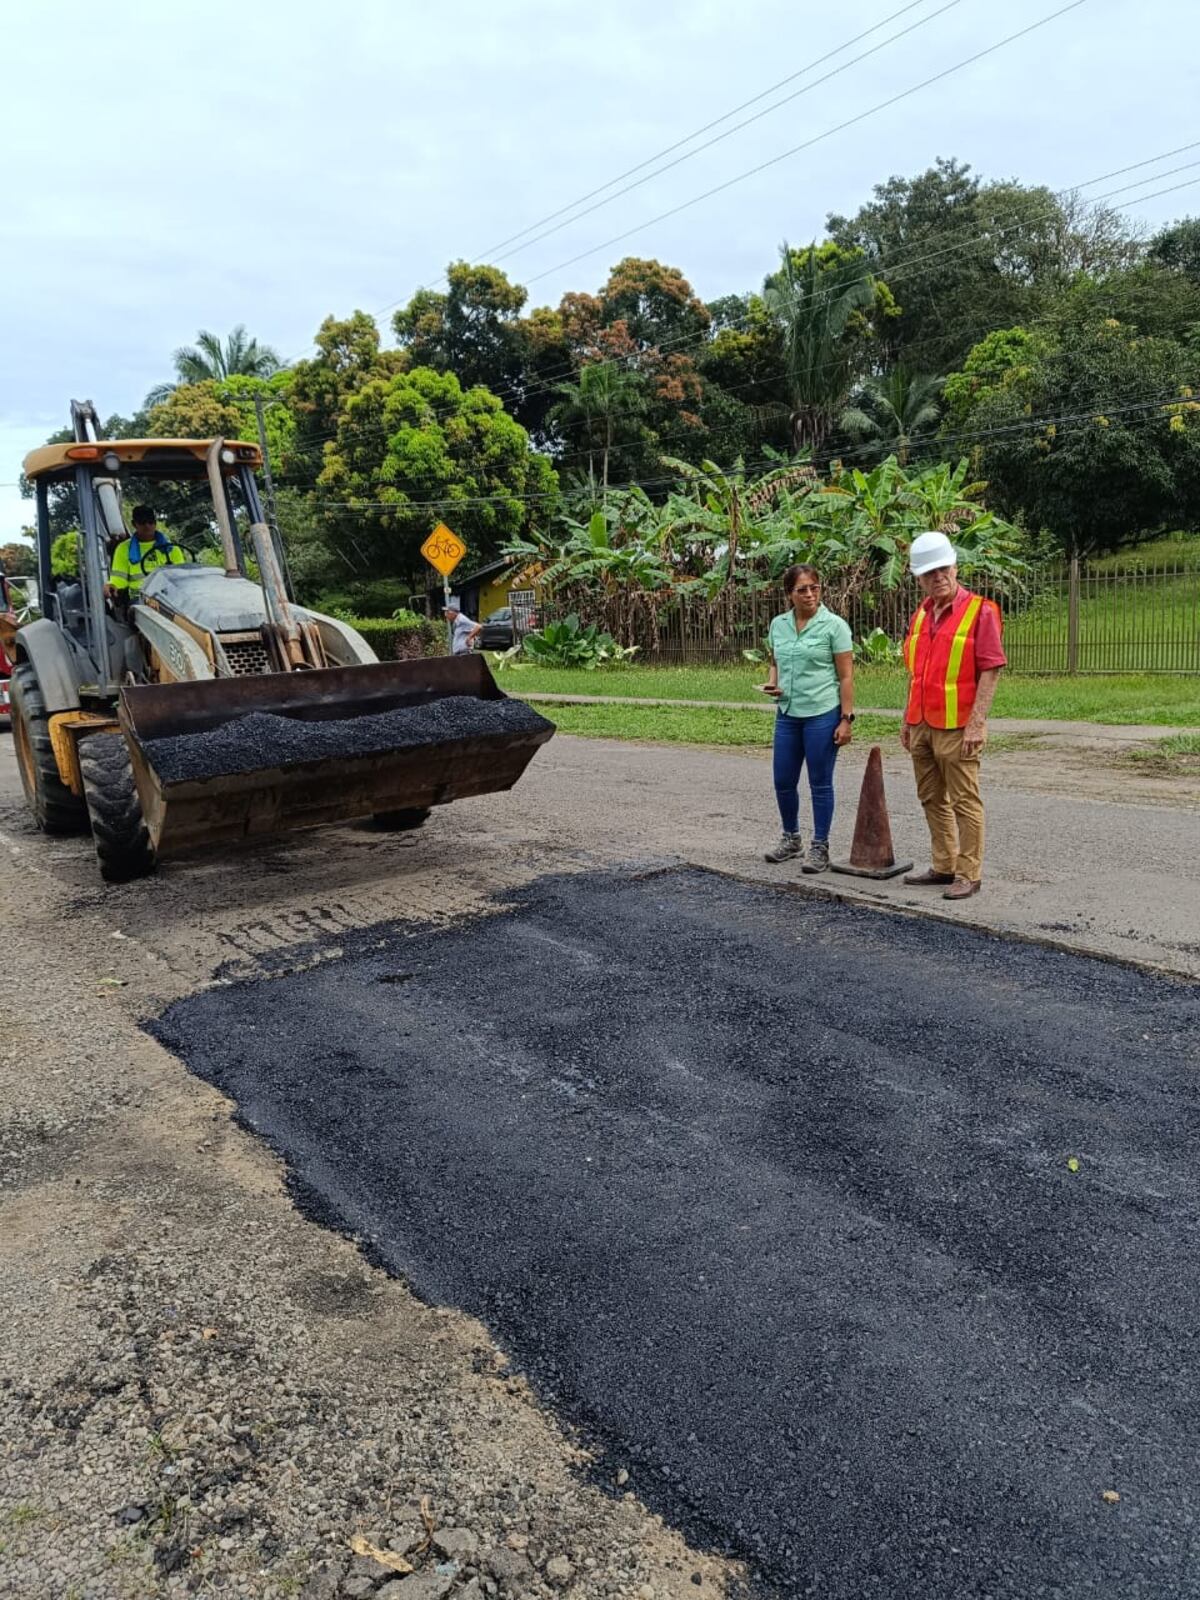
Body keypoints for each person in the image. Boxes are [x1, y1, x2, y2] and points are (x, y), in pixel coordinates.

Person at [900, 530, 1007, 901]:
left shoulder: (981, 611)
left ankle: (969, 873)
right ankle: (943, 865)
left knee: (965, 801)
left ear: (955, 566)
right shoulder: (920, 615)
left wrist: (977, 723)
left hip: (959, 726)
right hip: (922, 723)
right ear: (919, 579)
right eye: (930, 573)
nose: (938, 577)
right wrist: (906, 720)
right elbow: (916, 673)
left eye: (943, 569)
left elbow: (991, 669)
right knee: (930, 797)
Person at [761, 563, 855, 873]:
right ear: (789, 594)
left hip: (822, 713)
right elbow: (775, 660)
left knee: (820, 783)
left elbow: (845, 677)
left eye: (814, 587)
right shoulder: (779, 625)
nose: (810, 594)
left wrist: (846, 719)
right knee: (783, 780)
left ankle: (820, 846)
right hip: (788, 713)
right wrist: (772, 682)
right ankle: (791, 839)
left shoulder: (834, 626)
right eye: (802, 589)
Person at [107, 505, 185, 599]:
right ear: (134, 524)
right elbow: (118, 580)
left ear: (155, 523)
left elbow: (181, 580)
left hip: (167, 598)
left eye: (150, 521)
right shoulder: (123, 549)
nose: (147, 525)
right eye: (142, 522)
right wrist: (112, 586)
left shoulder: (172, 549)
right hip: (138, 598)